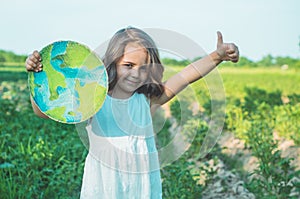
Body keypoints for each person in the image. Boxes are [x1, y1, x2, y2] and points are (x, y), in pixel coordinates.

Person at [25, 27, 239, 198]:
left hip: (140, 185)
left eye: (144, 67)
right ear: (112, 63)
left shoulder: (147, 100)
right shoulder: (93, 99)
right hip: (104, 185)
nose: (136, 74)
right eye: (128, 65)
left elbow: (186, 75)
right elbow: (44, 112)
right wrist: (38, 76)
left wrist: (217, 56)